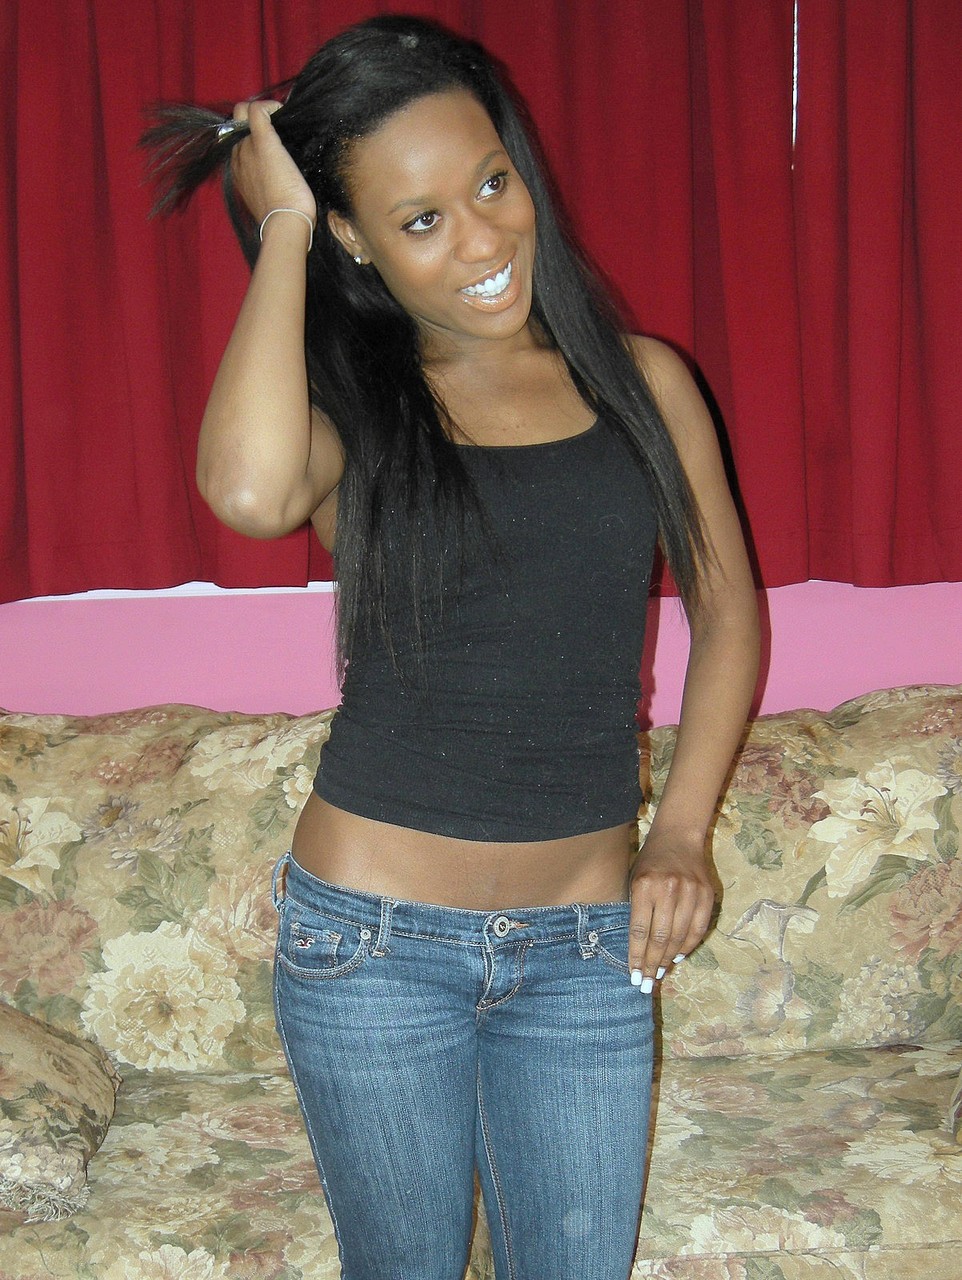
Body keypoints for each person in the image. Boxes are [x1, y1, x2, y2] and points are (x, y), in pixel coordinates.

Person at [144, 14, 759, 1279]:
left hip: (583, 948)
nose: (482, 238)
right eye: (419, 219)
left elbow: (728, 614)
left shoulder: (643, 383)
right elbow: (249, 493)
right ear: (357, 237)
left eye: (490, 182)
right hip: (369, 948)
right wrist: (284, 228)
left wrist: (682, 832)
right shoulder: (353, 408)